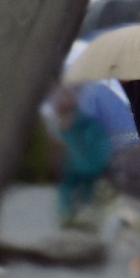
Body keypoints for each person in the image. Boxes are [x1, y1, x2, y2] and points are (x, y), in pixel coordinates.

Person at [51, 86, 112, 223]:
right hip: (81, 171)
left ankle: (73, 216)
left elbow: (95, 155)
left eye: (66, 96)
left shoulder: (87, 126)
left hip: (85, 175)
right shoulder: (59, 127)